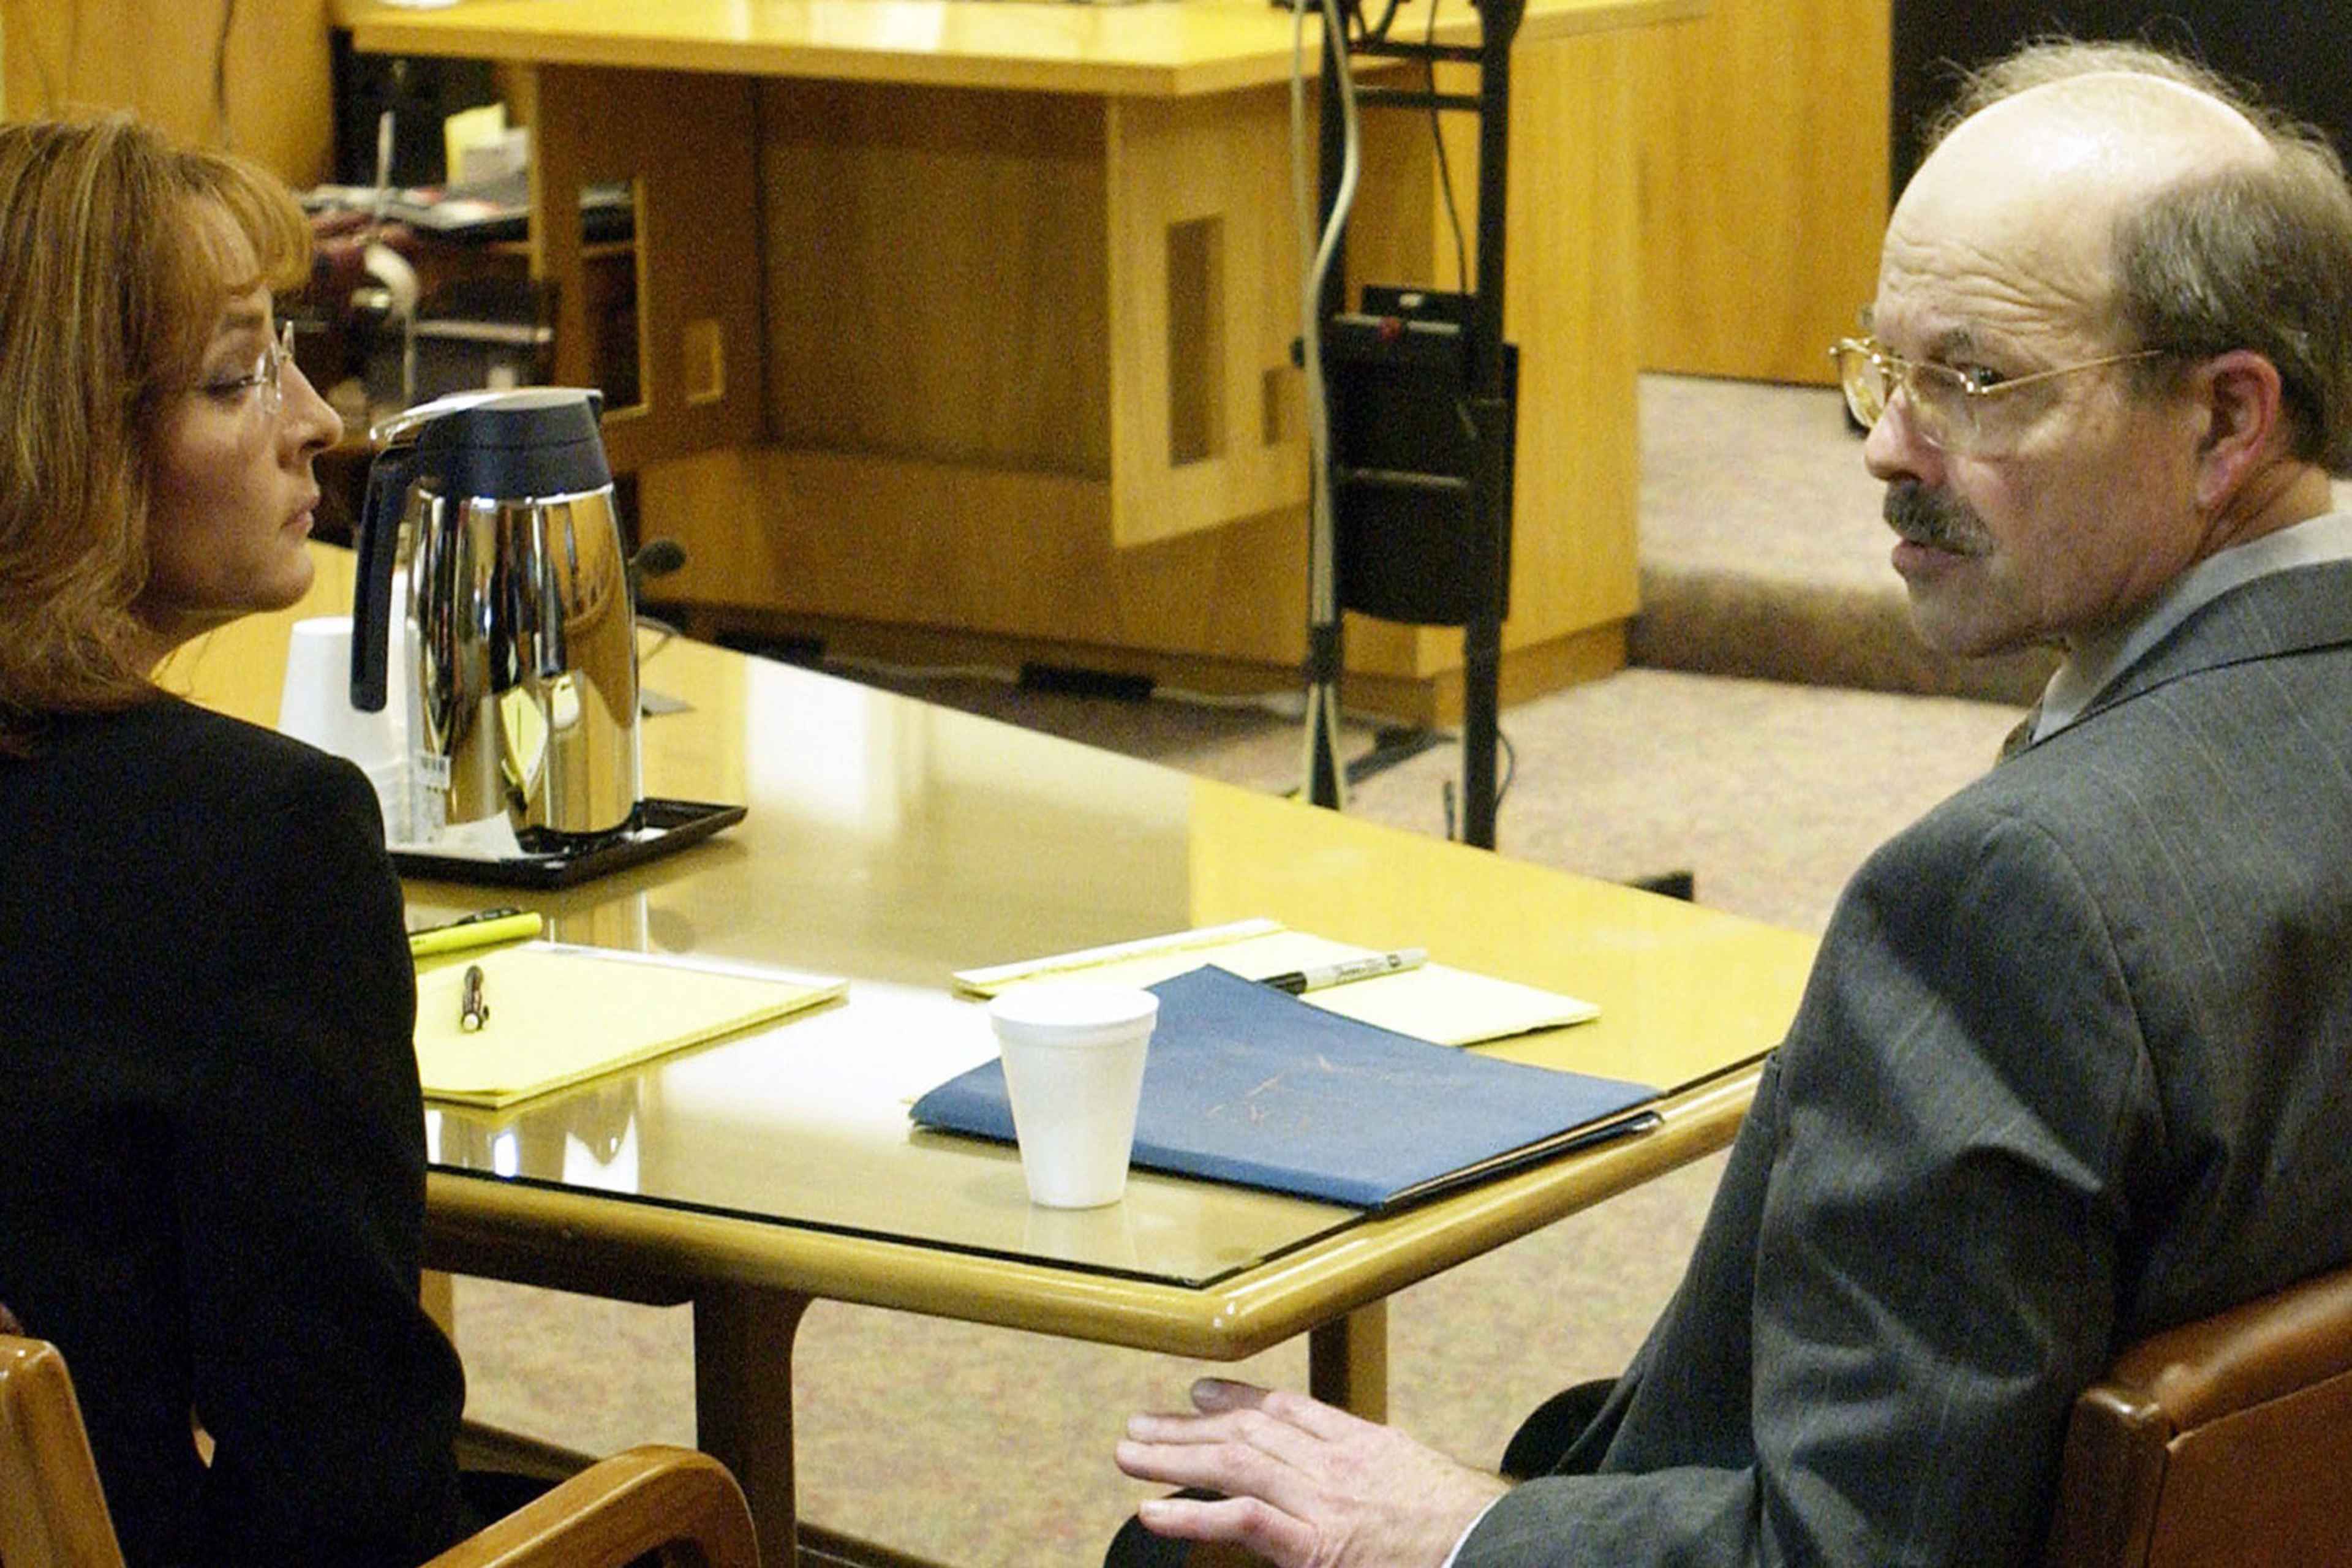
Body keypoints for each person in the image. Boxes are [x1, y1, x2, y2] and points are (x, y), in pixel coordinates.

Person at [1109, 39, 2352, 1567]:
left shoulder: (2017, 893)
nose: (1887, 445)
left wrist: (1453, 1530)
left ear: (2228, 421)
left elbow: (1846, 1554)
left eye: (1973, 382)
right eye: (1884, 366)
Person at [0, 116, 473, 1564]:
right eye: (237, 374)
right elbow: (350, 1492)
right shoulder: (258, 839)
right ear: (62, 446)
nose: (316, 419)